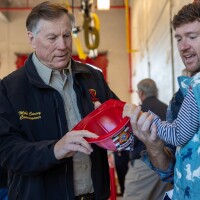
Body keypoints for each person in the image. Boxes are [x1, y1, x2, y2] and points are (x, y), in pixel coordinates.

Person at [0, 1, 120, 200]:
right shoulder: (9, 89)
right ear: (32, 38)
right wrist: (56, 149)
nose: (63, 45)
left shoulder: (92, 77)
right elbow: (6, 152)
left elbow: (118, 119)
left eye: (67, 35)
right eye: (52, 38)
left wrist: (127, 120)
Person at [123, 2, 200, 199]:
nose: (183, 46)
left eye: (192, 37)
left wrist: (144, 117)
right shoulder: (181, 95)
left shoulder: (197, 85)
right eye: (178, 38)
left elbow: (176, 135)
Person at [123, 78, 172, 200]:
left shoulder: (137, 111)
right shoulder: (168, 108)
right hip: (168, 165)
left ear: (141, 93)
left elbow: (129, 140)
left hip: (143, 165)